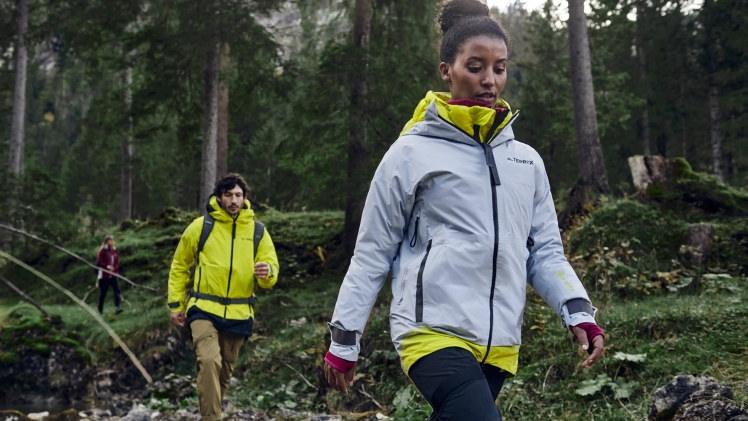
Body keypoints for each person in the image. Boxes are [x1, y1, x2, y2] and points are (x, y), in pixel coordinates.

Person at [322, 1, 605, 419]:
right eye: (475, 66)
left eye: (499, 68)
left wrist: (578, 312)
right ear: (446, 70)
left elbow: (544, 251)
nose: (490, 79)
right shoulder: (410, 153)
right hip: (430, 332)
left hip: (499, 342)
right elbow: (372, 253)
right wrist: (345, 339)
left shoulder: (525, 161)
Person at [167, 173, 279, 421]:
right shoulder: (201, 226)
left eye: (238, 195)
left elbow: (271, 270)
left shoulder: (258, 231)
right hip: (203, 308)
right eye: (228, 195)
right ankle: (212, 418)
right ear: (218, 197)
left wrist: (267, 272)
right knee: (209, 361)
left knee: (224, 373)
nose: (233, 200)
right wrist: (176, 304)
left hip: (240, 311)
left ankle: (210, 413)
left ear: (245, 198)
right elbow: (180, 265)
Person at [96, 235, 122, 315]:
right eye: (110, 240)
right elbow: (99, 262)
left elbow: (116, 262)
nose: (112, 242)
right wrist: (108, 267)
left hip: (113, 275)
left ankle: (117, 307)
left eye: (112, 240)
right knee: (103, 293)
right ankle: (100, 310)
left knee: (117, 290)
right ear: (107, 241)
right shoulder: (103, 250)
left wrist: (115, 269)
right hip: (105, 275)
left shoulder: (114, 251)